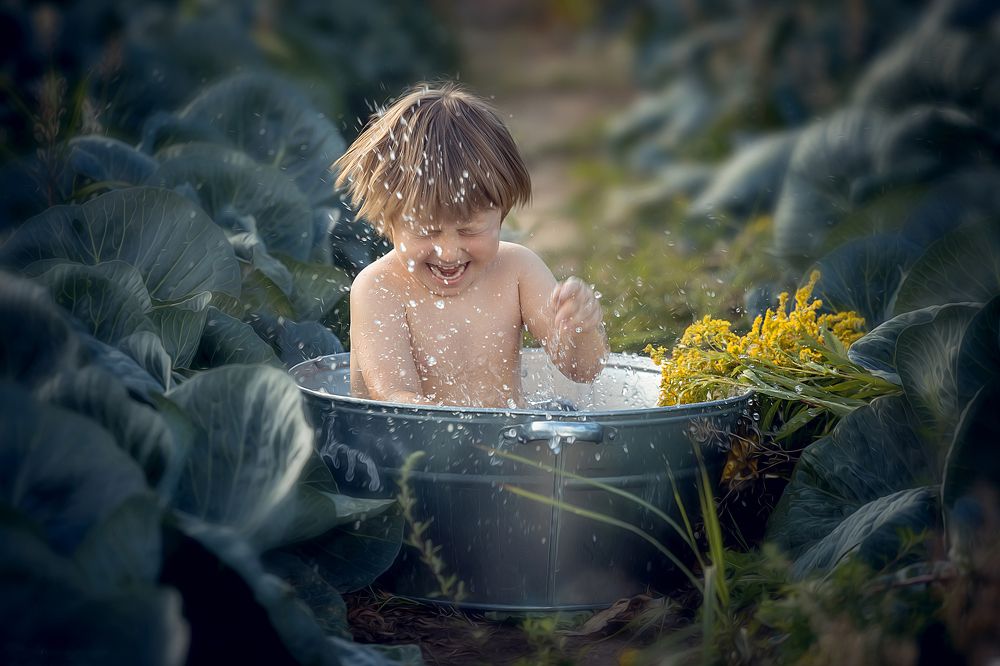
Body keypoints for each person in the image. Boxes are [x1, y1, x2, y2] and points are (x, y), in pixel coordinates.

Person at [334, 81, 608, 408]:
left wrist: (581, 330)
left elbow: (583, 371)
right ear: (388, 222)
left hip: (504, 450)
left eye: (469, 230)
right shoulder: (379, 288)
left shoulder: (517, 270)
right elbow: (394, 401)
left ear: (501, 216)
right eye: (427, 232)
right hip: (404, 456)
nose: (449, 252)